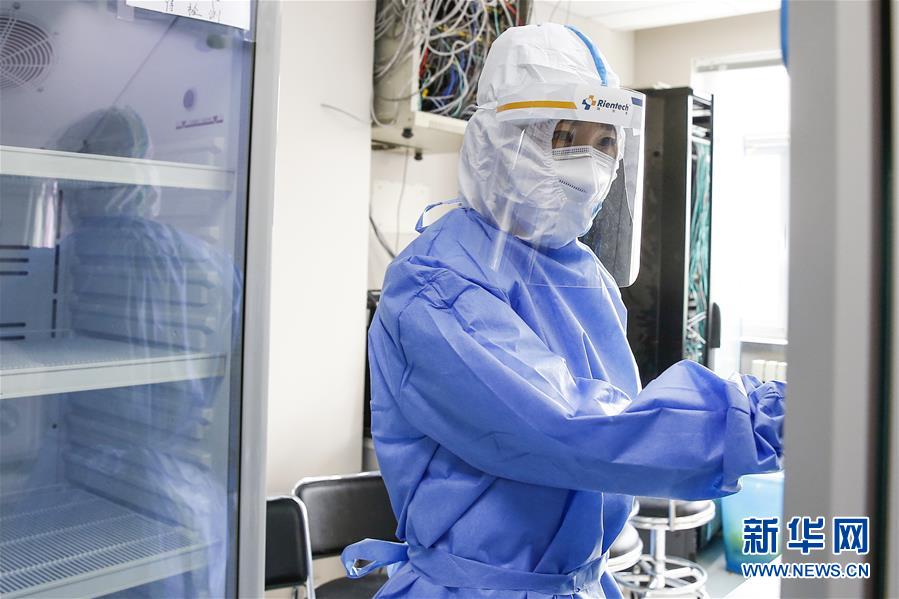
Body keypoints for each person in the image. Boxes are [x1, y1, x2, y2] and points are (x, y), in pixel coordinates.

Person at [343, 23, 785, 599]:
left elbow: (616, 417)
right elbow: (575, 428)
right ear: (498, 141)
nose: (588, 166)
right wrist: (762, 421)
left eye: (604, 143)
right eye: (563, 136)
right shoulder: (436, 284)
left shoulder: (582, 272)